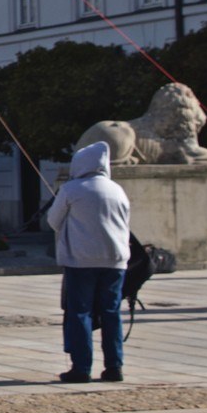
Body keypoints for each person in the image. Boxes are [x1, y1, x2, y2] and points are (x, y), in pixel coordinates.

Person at [46, 141, 132, 383]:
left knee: (80, 312)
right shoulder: (117, 190)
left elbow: (53, 221)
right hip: (115, 261)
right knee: (111, 313)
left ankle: (81, 367)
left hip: (80, 261)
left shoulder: (72, 189)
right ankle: (115, 366)